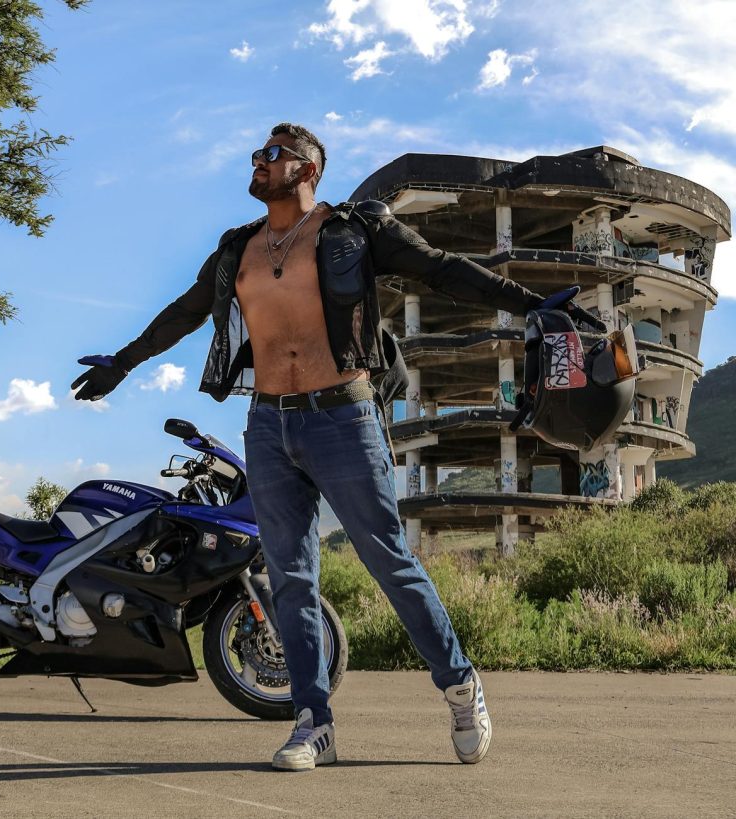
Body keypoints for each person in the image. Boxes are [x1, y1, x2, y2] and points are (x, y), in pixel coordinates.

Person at [73, 123, 551, 772]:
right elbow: (185, 310)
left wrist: (531, 304)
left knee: (390, 562)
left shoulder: (353, 231)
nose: (260, 163)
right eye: (257, 154)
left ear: (308, 169)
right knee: (290, 579)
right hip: (268, 425)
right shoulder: (238, 248)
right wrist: (123, 363)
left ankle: (461, 685)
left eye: (273, 155)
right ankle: (313, 721)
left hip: (344, 419)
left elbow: (443, 271)